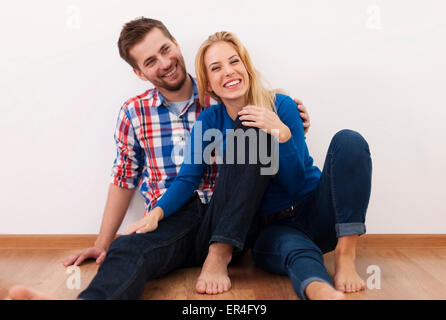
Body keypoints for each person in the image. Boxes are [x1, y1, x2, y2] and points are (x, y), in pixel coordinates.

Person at [7, 17, 309, 300]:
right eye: (151, 61)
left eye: (165, 49)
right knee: (126, 248)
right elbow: (124, 176)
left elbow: (262, 133)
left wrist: (292, 125)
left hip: (228, 213)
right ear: (139, 73)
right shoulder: (134, 112)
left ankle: (219, 253)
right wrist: (103, 242)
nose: (165, 63)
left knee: (247, 135)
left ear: (176, 44)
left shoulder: (221, 88)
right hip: (171, 219)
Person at [140, 31, 372, 300]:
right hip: (271, 228)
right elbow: (187, 179)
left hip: (316, 208)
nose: (228, 71)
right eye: (216, 68)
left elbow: (296, 182)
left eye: (234, 61)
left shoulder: (281, 105)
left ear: (246, 68)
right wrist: (156, 213)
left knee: (349, 140)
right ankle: (321, 292)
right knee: (295, 253)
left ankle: (345, 256)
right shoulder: (209, 121)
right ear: (209, 86)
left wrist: (282, 134)